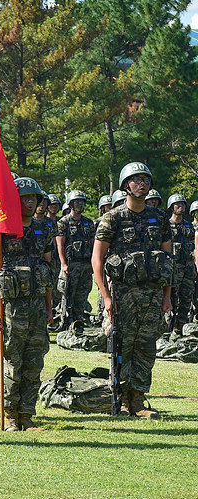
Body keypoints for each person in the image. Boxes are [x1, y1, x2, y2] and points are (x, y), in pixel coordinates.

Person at [93, 162, 171, 419]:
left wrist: (167, 297)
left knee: (146, 347)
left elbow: (167, 260)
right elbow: (98, 259)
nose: (142, 184)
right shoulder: (112, 218)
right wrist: (105, 297)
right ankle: (121, 400)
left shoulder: (159, 218)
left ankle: (138, 400)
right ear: (125, 185)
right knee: (122, 347)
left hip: (151, 294)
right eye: (136, 180)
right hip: (122, 294)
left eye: (146, 180)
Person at [0, 177, 54, 432]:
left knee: (34, 362)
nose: (29, 202)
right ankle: (10, 414)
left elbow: (47, 269)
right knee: (12, 362)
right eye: (24, 197)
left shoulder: (43, 229)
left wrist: (48, 306)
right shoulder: (2, 231)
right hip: (11, 309)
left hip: (36, 306)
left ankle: (27, 413)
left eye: (33, 198)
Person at [56, 190, 95, 332]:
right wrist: (64, 264)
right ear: (71, 204)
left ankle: (78, 323)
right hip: (71, 265)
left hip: (85, 264)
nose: (80, 204)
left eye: (82, 202)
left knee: (82, 295)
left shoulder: (88, 223)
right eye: (77, 202)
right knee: (68, 295)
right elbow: (60, 245)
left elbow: (93, 244)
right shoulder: (63, 222)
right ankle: (66, 324)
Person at [166, 194, 192, 335]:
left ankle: (181, 328)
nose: (180, 207)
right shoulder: (167, 225)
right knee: (171, 298)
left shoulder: (188, 225)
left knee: (186, 297)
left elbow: (194, 246)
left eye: (182, 204)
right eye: (177, 204)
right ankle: (168, 329)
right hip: (172, 268)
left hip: (187, 267)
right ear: (171, 207)